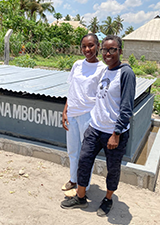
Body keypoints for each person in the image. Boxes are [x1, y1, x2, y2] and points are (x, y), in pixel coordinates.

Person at [61, 35, 136, 216]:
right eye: (105, 50)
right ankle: (80, 196)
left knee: (113, 167)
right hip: (95, 127)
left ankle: (108, 198)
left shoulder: (126, 73)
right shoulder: (105, 71)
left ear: (120, 51)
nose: (107, 53)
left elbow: (126, 107)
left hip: (112, 132)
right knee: (84, 160)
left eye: (112, 50)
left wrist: (116, 133)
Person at [61, 33, 106, 193]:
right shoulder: (77, 65)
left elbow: (103, 96)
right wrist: (65, 110)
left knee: (86, 153)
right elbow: (71, 89)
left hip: (88, 115)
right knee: (73, 150)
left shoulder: (102, 69)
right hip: (73, 113)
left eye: (91, 45)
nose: (87, 49)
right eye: (84, 46)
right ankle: (73, 179)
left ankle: (83, 185)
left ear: (98, 46)